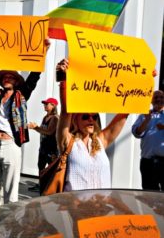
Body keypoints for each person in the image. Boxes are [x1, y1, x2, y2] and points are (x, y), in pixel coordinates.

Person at [0, 36, 51, 207]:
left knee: (11, 189)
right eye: (5, 76)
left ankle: (10, 224)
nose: (7, 78)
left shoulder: (21, 95)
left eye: (11, 76)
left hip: (11, 144)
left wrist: (43, 52)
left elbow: (34, 77)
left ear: (16, 81)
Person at [56, 58, 128, 190]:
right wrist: (64, 79)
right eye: (85, 117)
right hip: (76, 208)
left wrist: (144, 81)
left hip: (101, 207)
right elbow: (66, 110)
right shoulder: (68, 141)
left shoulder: (100, 141)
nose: (91, 120)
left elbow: (124, 114)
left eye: (94, 116)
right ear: (75, 120)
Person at [131, 90, 164, 190]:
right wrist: (146, 120)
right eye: (155, 97)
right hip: (148, 163)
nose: (158, 99)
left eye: (161, 97)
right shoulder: (144, 115)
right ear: (151, 101)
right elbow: (136, 133)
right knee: (149, 196)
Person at [28, 97, 59, 192]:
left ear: (53, 106)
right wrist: (36, 128)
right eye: (44, 104)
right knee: (41, 166)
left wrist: (35, 127)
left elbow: (49, 132)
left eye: (47, 104)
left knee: (51, 168)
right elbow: (43, 131)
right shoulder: (45, 117)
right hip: (43, 147)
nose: (45, 105)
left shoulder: (55, 118)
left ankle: (50, 187)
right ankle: (41, 185)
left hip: (51, 148)